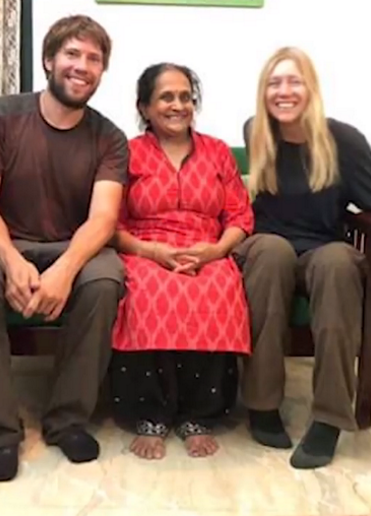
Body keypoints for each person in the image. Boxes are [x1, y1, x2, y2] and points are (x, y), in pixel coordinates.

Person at [0, 15, 128, 482]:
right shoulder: (0, 115)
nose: (82, 66)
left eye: (93, 59)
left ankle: (67, 420)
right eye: (72, 54)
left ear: (101, 72)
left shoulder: (110, 138)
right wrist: (12, 260)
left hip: (70, 246)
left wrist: (65, 269)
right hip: (1, 243)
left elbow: (103, 219)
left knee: (104, 279)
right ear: (48, 60)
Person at [233, 46, 371, 469]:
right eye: (274, 83)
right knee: (272, 252)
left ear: (311, 88)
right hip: (267, 249)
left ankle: (329, 418)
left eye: (294, 81)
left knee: (337, 262)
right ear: (263, 92)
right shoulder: (256, 132)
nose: (284, 91)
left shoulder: (344, 142)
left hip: (321, 248)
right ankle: (261, 405)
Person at [109, 63, 253, 460]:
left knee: (218, 286)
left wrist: (216, 251)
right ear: (145, 107)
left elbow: (240, 216)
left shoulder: (217, 151)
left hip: (208, 247)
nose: (178, 105)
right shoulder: (127, 153)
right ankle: (150, 413)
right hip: (145, 248)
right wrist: (152, 252)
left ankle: (199, 414)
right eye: (166, 97)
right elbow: (111, 224)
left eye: (186, 97)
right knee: (146, 290)